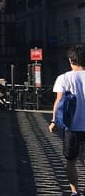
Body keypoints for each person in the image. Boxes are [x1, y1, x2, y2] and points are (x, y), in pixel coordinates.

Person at [50, 45, 85, 196]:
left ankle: (75, 192)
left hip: (71, 127)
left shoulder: (63, 78)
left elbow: (59, 101)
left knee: (71, 161)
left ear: (70, 60)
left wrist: (54, 121)